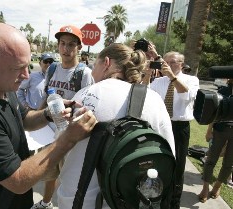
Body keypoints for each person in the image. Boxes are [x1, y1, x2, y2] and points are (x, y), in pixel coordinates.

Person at [0, 23, 97, 209]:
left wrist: (49, 113)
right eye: (18, 68)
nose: (26, 76)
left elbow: (24, 119)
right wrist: (68, 139)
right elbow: (18, 181)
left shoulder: (3, 87)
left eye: (28, 66)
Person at [57, 43, 175, 209]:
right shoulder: (154, 100)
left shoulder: (84, 95)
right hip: (131, 201)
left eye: (95, 65)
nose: (92, 71)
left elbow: (63, 151)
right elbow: (169, 155)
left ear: (106, 62)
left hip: (79, 200)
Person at [31, 25, 94, 209]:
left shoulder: (84, 73)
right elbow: (45, 98)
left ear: (79, 47)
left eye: (71, 44)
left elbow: (89, 107)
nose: (66, 49)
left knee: (69, 176)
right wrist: (37, 120)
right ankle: (46, 203)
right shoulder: (52, 69)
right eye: (63, 44)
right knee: (49, 173)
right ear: (58, 46)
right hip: (49, 133)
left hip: (71, 135)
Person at [143, 51, 199, 209]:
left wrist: (172, 78)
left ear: (181, 64)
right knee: (157, 161)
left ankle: (174, 203)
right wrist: (147, 75)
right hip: (159, 125)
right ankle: (156, 197)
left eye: (172, 62)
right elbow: (144, 93)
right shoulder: (158, 81)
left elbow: (187, 95)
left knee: (178, 165)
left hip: (179, 127)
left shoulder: (191, 79)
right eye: (164, 62)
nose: (167, 64)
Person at [198, 78, 233, 203]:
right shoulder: (223, 91)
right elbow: (214, 112)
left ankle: (217, 186)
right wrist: (209, 131)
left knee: (229, 163)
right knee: (211, 159)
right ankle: (205, 188)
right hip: (220, 129)